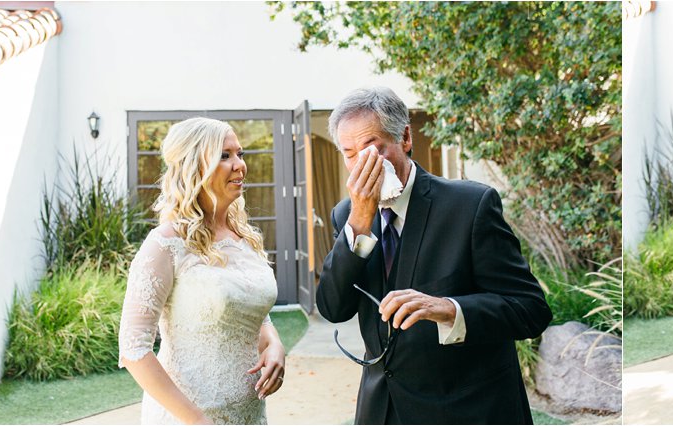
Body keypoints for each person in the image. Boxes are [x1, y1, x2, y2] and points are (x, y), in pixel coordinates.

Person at [315, 86, 551, 424]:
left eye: (372, 149)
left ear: (406, 137)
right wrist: (360, 225)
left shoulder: (470, 205)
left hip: (467, 409)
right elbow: (333, 308)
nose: (360, 166)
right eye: (349, 154)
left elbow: (531, 310)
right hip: (383, 411)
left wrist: (447, 309)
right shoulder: (346, 216)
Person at [119, 117, 288, 425]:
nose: (239, 165)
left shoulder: (246, 238)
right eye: (225, 156)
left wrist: (274, 344)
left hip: (248, 415)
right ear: (195, 166)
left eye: (240, 154)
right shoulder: (166, 245)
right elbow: (133, 348)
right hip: (186, 418)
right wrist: (197, 420)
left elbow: (257, 316)